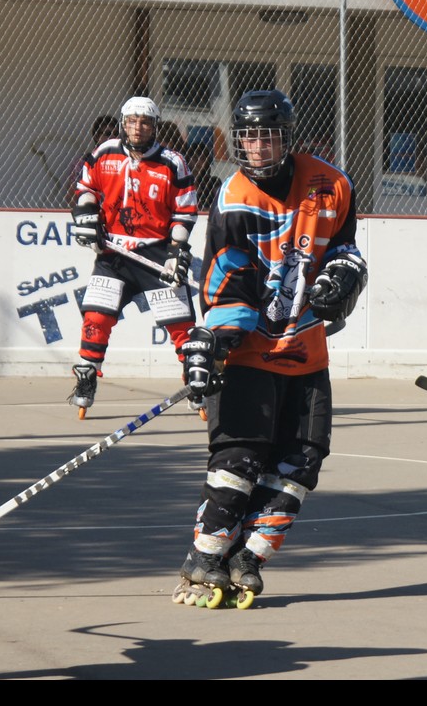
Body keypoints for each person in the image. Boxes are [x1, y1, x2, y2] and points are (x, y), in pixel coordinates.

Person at [173, 89, 367, 608]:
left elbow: (345, 247)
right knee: (238, 459)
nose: (257, 147)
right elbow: (227, 282)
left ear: (288, 137)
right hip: (250, 355)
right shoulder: (234, 198)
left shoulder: (333, 184)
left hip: (307, 354)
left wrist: (344, 276)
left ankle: (249, 557)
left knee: (302, 462)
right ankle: (205, 556)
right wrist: (216, 343)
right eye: (248, 137)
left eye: (268, 136)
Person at [68, 96, 199, 418]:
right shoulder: (104, 152)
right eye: (131, 121)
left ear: (155, 127)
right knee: (96, 318)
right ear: (123, 124)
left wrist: (176, 250)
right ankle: (86, 379)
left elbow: (184, 210)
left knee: (181, 325)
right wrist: (86, 215)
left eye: (145, 122)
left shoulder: (173, 162)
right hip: (114, 252)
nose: (138, 127)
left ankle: (196, 383)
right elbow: (86, 188)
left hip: (156, 251)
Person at [185, 138, 222, 211]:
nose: (198, 162)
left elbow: (219, 205)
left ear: (207, 161)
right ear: (188, 159)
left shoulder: (213, 182)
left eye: (202, 159)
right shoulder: (183, 181)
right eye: (195, 158)